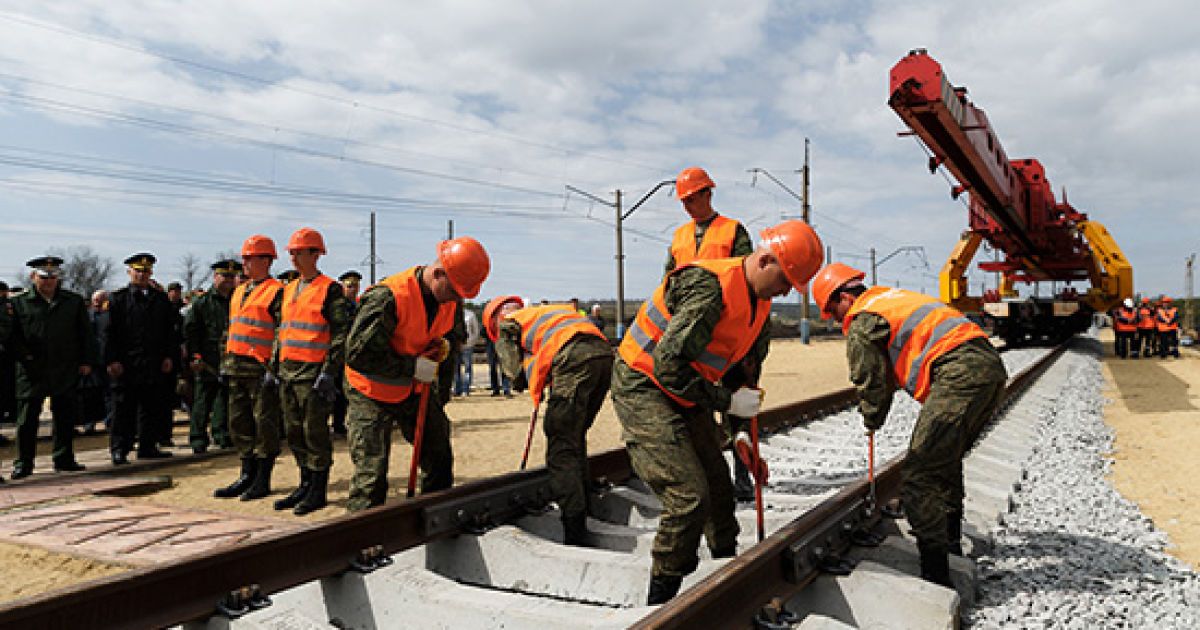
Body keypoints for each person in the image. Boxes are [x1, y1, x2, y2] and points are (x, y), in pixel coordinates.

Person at [612, 220, 823, 604]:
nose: (787, 291)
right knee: (688, 497)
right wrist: (726, 403)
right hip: (644, 383)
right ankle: (661, 601)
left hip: (688, 389)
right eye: (785, 279)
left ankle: (725, 575)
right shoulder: (708, 289)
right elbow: (667, 366)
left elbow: (741, 375)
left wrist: (741, 434)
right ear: (765, 260)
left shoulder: (760, 307)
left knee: (720, 492)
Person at [811, 262, 1008, 589]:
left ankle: (936, 574)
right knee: (943, 462)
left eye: (832, 311)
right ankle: (951, 547)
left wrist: (871, 417)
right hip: (988, 368)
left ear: (844, 297)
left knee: (920, 476)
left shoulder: (863, 318)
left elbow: (870, 379)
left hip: (960, 374)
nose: (835, 320)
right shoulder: (890, 299)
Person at [343, 237, 490, 511]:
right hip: (370, 390)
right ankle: (361, 533)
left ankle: (434, 519)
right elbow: (359, 355)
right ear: (438, 273)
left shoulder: (450, 299)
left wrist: (440, 395)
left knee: (439, 456)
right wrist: (413, 367)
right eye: (454, 290)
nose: (456, 298)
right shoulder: (388, 297)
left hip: (414, 388)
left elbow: (451, 343)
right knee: (371, 476)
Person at [484, 295, 612, 545]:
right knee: (574, 436)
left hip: (574, 356)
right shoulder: (545, 314)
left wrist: (519, 377)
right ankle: (585, 503)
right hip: (603, 354)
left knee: (561, 444)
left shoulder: (510, 323)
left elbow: (514, 375)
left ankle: (575, 529)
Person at [666, 166, 758, 503]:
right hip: (692, 336)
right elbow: (669, 284)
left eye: (693, 198)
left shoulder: (733, 231)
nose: (688, 206)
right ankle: (711, 477)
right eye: (684, 201)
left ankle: (743, 479)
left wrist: (751, 345)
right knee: (697, 402)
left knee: (738, 406)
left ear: (708, 194)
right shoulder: (679, 237)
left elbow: (750, 281)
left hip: (729, 334)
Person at [272, 228, 350, 516]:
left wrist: (329, 371)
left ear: (316, 254)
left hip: (313, 374)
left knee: (314, 432)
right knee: (294, 432)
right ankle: (304, 484)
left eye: (299, 252)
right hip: (288, 372)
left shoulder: (330, 289)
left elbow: (341, 333)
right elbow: (282, 330)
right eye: (291, 253)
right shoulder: (289, 289)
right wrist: (274, 365)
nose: (293, 258)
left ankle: (318, 489)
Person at [8, 256, 94, 478]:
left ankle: (64, 458)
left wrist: (86, 361)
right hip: (31, 369)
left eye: (53, 277)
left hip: (64, 367)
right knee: (27, 419)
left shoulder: (72, 302)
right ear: (33, 277)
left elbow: (85, 334)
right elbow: (12, 336)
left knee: (65, 416)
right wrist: (25, 357)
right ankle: (23, 463)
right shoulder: (18, 303)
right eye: (44, 277)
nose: (49, 282)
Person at [213, 235, 284, 501]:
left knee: (264, 424)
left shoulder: (277, 291)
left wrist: (272, 369)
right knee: (239, 423)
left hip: (260, 370)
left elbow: (281, 332)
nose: (244, 263)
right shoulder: (240, 291)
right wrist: (224, 362)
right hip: (235, 368)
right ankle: (246, 474)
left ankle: (262, 478)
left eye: (249, 258)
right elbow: (231, 329)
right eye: (244, 258)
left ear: (266, 260)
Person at [106, 253, 179, 464]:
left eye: (146, 271)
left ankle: (148, 446)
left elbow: (169, 332)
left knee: (151, 406)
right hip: (126, 363)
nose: (142, 275)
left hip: (153, 362)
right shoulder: (118, 299)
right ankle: (120, 448)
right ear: (129, 272)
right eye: (138, 271)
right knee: (123, 408)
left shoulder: (160, 300)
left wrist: (169, 356)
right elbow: (108, 333)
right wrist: (111, 359)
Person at [185, 259, 240, 453]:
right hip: (207, 358)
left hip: (230, 358)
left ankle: (221, 434)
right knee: (203, 400)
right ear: (215, 277)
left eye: (232, 276)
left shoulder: (237, 300)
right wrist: (195, 356)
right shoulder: (202, 303)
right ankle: (198, 438)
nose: (228, 280)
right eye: (225, 276)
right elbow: (191, 332)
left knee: (224, 399)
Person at [330, 270, 363, 436]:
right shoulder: (339, 306)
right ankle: (336, 424)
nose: (353, 289)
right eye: (349, 286)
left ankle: (341, 423)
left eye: (356, 286)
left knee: (348, 391)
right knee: (336, 391)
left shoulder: (358, 306)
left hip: (352, 355)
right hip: (338, 354)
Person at [79, 290, 112, 435]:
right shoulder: (86, 317)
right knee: (90, 395)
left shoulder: (111, 316)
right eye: (95, 300)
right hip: (91, 362)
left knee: (109, 394)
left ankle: (110, 421)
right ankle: (89, 423)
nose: (97, 302)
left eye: (101, 299)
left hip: (107, 360)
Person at [454, 307, 481, 396]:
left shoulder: (470, 314)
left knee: (467, 367)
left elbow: (475, 331)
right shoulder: (453, 314)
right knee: (456, 368)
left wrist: (471, 342)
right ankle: (457, 389)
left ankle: (466, 389)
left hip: (467, 346)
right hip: (456, 346)